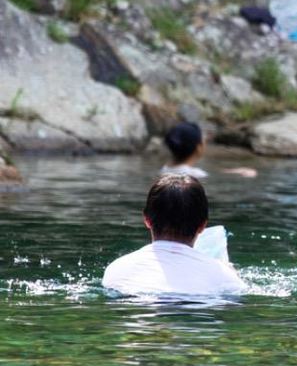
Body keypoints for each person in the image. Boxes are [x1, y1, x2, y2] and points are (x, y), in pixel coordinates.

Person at [102, 175, 245, 296]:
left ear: (147, 220)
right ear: (202, 225)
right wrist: (233, 275)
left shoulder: (117, 269)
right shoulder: (224, 277)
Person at [162, 121, 257, 179]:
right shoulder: (197, 175)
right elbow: (213, 177)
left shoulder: (164, 170)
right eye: (203, 140)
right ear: (199, 148)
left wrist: (236, 171)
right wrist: (241, 175)